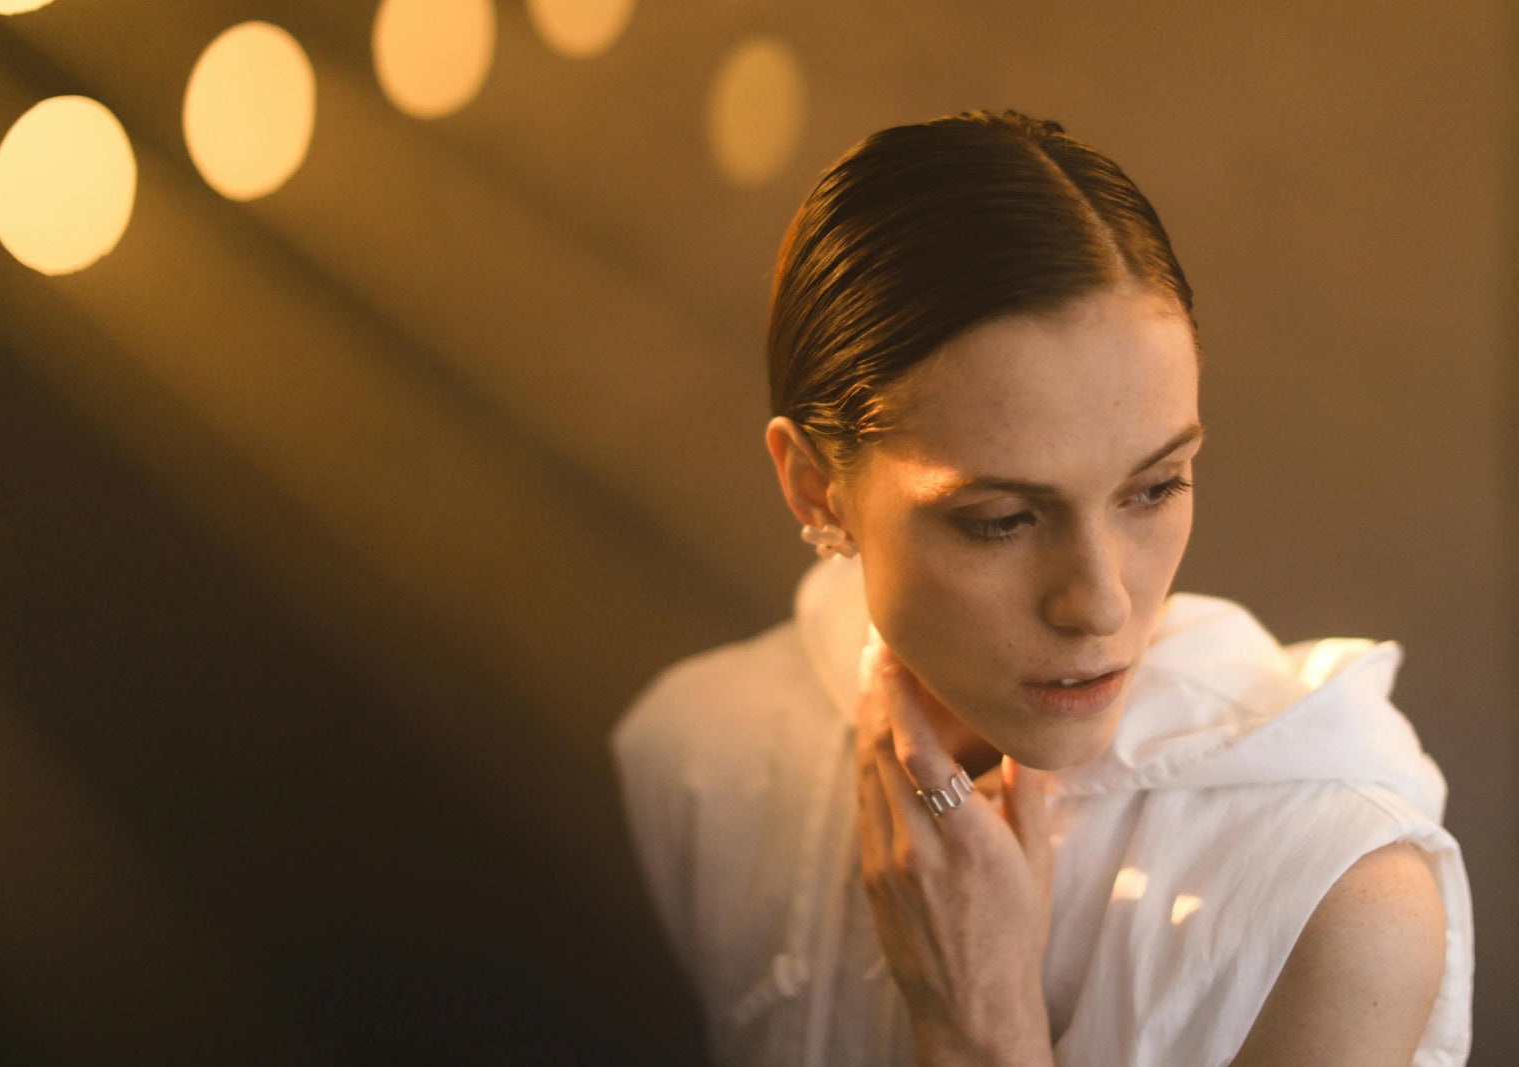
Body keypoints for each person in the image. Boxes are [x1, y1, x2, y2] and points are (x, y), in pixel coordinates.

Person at [611, 110, 1472, 1066]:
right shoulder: (699, 753)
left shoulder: (1338, 898)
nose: (1101, 605)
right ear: (816, 485)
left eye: (1155, 487)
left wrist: (983, 1033)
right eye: (1001, 519)